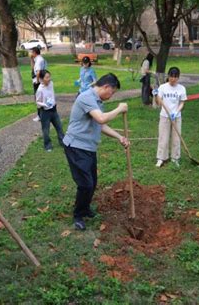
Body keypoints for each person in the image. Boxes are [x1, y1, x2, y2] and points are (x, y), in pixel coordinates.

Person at [63, 73, 129, 231]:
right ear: (106, 87)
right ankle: (78, 215)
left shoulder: (97, 102)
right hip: (76, 146)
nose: (111, 96)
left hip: (88, 147)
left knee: (92, 182)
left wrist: (119, 137)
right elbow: (101, 119)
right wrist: (119, 109)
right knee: (86, 184)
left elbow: (100, 125)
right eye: (112, 92)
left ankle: (85, 209)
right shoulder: (86, 97)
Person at [153, 66, 187, 168]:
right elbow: (159, 102)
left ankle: (175, 158)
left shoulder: (181, 88)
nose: (173, 79)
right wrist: (155, 95)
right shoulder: (163, 87)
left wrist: (176, 112)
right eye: (171, 76)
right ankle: (161, 158)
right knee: (163, 137)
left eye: (175, 77)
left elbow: (182, 102)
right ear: (168, 76)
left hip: (176, 116)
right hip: (164, 116)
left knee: (176, 138)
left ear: (178, 77)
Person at [36, 69, 64, 152]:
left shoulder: (51, 83)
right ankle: (48, 146)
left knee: (59, 127)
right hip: (45, 112)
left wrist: (53, 102)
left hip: (54, 110)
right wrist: (45, 104)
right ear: (42, 79)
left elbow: (52, 93)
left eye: (49, 76)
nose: (49, 79)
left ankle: (63, 142)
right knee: (46, 130)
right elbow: (37, 102)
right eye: (47, 77)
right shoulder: (40, 90)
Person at [30, 47, 47, 122]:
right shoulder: (37, 59)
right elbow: (32, 68)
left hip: (38, 82)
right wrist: (31, 59)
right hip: (38, 81)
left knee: (38, 99)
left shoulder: (39, 60)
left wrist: (37, 81)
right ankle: (41, 115)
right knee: (40, 98)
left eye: (32, 52)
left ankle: (40, 116)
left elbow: (38, 72)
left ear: (34, 52)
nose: (31, 54)